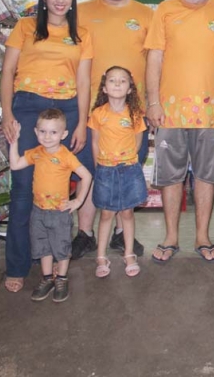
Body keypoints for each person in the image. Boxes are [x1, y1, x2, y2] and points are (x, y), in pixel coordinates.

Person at [0, 0, 93, 294]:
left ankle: (56, 260)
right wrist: (7, 113)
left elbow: (84, 82)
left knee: (58, 184)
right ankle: (17, 265)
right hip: (27, 108)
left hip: (67, 109)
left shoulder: (81, 34)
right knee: (24, 187)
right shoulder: (25, 28)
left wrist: (81, 122)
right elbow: (8, 71)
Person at [145, 0, 214, 264]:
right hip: (170, 112)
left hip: (211, 114)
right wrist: (153, 102)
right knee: (171, 176)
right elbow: (154, 57)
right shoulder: (165, 11)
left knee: (207, 176)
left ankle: (202, 237)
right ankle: (170, 238)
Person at [72, 0, 153, 260]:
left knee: (127, 171)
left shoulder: (147, 15)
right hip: (90, 113)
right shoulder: (80, 13)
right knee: (92, 172)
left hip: (133, 113)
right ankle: (85, 233)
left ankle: (122, 234)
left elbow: (156, 61)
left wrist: (153, 104)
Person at [8, 109, 93, 302]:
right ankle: (47, 278)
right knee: (42, 247)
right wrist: (15, 142)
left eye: (53, 132)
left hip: (59, 212)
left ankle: (61, 278)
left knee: (62, 247)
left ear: (63, 134)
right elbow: (15, 165)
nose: (47, 136)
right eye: (43, 131)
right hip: (38, 210)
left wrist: (78, 201)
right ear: (36, 132)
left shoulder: (65, 155)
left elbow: (86, 176)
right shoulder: (36, 153)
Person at [88, 66, 148, 278]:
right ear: (104, 88)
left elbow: (139, 141)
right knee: (105, 213)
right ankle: (101, 256)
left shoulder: (134, 114)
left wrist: (130, 161)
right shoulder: (97, 114)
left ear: (130, 89)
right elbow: (94, 142)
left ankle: (129, 254)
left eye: (122, 81)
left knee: (127, 213)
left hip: (128, 169)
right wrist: (99, 167)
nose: (117, 84)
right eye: (112, 80)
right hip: (105, 169)